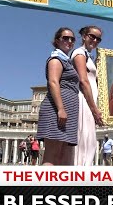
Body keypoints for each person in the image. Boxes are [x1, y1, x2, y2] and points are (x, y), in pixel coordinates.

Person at [37, 27, 79, 166]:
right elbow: (53, 82)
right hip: (56, 110)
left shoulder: (67, 61)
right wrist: (61, 108)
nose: (69, 41)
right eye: (65, 38)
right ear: (57, 41)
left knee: (62, 155)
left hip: (67, 113)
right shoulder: (56, 59)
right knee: (52, 155)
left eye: (72, 39)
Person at [71, 26, 104, 166]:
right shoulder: (79, 53)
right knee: (83, 140)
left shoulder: (89, 57)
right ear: (84, 36)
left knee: (89, 140)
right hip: (84, 101)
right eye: (92, 36)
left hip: (89, 101)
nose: (95, 40)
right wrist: (94, 108)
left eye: (98, 38)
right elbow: (84, 81)